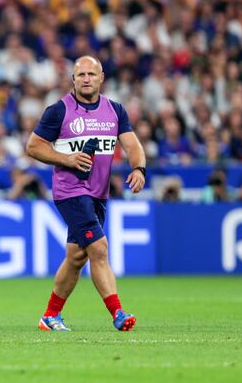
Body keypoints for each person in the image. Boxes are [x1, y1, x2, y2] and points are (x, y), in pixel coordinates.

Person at [26, 56, 146, 332]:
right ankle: (117, 312)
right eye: (81, 75)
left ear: (101, 77)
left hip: (98, 194)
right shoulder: (58, 111)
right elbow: (33, 147)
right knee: (99, 249)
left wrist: (138, 168)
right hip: (70, 192)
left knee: (77, 256)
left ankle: (50, 316)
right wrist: (66, 159)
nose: (87, 79)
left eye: (92, 74)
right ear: (73, 79)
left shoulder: (115, 110)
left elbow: (132, 144)